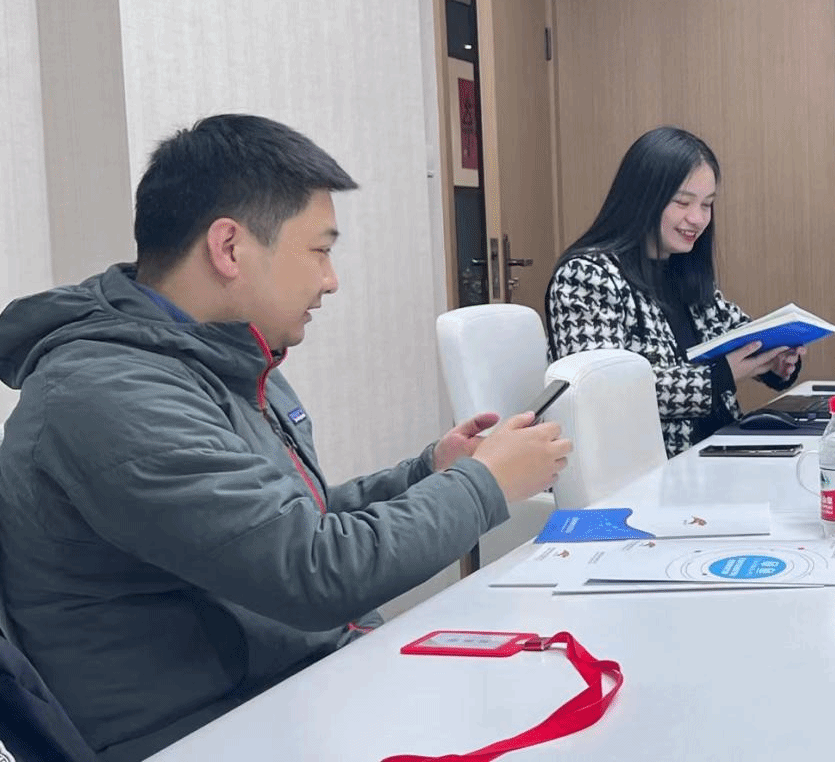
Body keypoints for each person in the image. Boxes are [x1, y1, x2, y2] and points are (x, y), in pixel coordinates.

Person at [0, 115, 571, 762]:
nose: (331, 280)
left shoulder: (222, 356)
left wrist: (427, 473)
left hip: (295, 689)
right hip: (212, 731)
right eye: (320, 250)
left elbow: (286, 522)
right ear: (229, 248)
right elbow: (313, 572)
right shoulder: (108, 395)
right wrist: (485, 484)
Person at [546, 126, 803, 456]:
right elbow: (601, 393)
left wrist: (776, 359)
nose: (697, 219)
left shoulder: (683, 268)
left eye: (707, 205)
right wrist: (719, 376)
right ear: (643, 198)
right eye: (683, 202)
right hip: (649, 466)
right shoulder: (586, 276)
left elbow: (742, 336)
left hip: (717, 450)